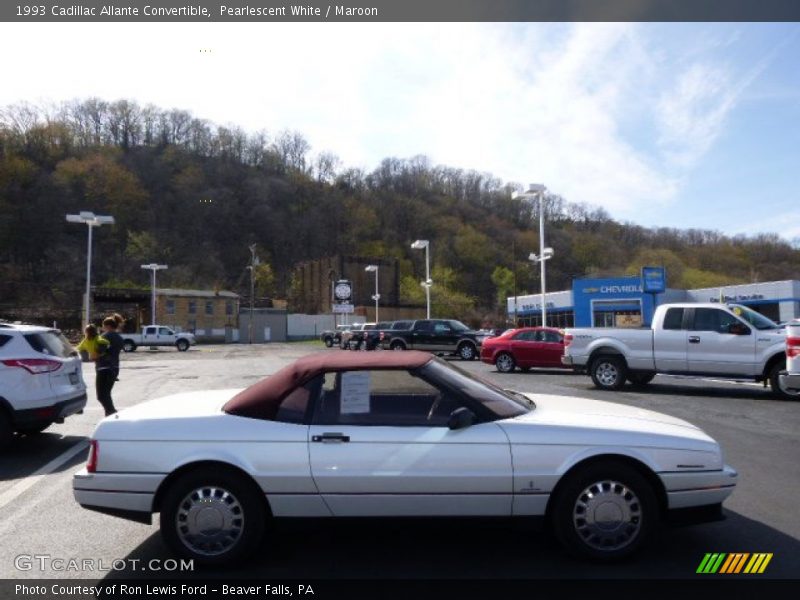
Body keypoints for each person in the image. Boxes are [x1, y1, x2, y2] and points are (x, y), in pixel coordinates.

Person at [95, 314, 124, 416]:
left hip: (104, 368)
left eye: (103, 326)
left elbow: (99, 352)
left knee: (101, 395)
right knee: (106, 394)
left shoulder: (104, 337)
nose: (103, 328)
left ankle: (112, 413)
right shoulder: (120, 338)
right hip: (114, 368)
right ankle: (109, 414)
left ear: (107, 326)